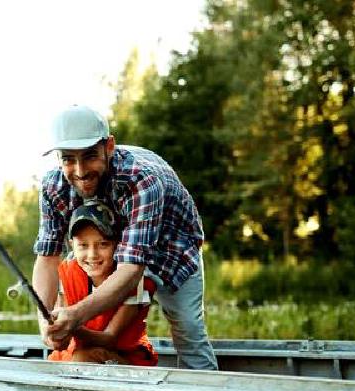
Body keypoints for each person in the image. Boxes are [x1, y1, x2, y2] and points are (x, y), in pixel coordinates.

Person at [32, 104, 218, 370]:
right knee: (78, 320)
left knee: (188, 329)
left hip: (173, 250)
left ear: (109, 146)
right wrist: (46, 320)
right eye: (69, 159)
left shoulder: (142, 180)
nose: (80, 171)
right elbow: (48, 258)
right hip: (110, 248)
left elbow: (132, 268)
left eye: (89, 156)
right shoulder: (53, 186)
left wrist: (74, 317)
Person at [44, 199, 158, 366]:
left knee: (81, 358)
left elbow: (109, 338)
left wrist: (72, 326)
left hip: (125, 356)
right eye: (83, 245)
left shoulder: (134, 279)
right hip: (78, 352)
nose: (92, 255)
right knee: (60, 361)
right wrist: (58, 334)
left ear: (117, 245)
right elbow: (64, 326)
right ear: (72, 246)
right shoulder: (67, 273)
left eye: (103, 244)